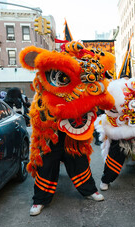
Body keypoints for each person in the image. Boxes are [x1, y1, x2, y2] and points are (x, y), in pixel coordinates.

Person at [19, 41, 116, 216]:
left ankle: (89, 190)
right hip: (51, 133)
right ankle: (40, 199)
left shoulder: (84, 85)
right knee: (47, 164)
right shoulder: (47, 90)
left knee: (78, 161)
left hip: (74, 133)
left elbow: (106, 100)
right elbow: (58, 110)